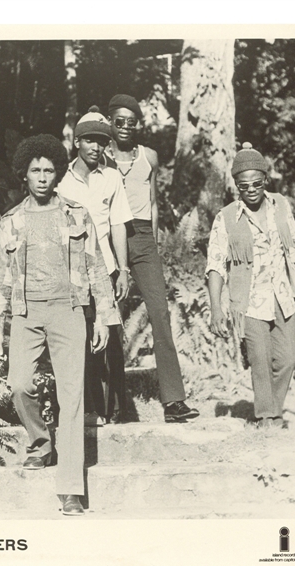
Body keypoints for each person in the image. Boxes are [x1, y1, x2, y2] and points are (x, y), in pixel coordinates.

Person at [0, 134, 118, 516]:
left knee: (72, 397)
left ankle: (71, 488)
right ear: (23, 175)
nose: (42, 177)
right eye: (35, 171)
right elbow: (1, 276)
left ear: (57, 173)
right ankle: (41, 443)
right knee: (19, 383)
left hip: (69, 311)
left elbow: (96, 266)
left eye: (48, 170)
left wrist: (104, 319)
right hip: (27, 314)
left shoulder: (77, 214)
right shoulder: (11, 221)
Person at [105, 94, 199, 423]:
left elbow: (154, 202)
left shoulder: (150, 157)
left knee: (160, 314)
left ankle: (173, 401)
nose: (126, 127)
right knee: (109, 318)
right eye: (119, 121)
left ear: (138, 125)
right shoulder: (100, 158)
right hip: (108, 238)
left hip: (143, 237)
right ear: (110, 123)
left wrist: (153, 242)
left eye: (132, 122)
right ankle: (114, 404)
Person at [206, 143, 295, 427]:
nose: (251, 190)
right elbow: (215, 265)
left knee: (287, 359)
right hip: (249, 301)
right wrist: (216, 308)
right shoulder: (226, 218)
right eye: (243, 186)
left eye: (256, 183)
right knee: (261, 361)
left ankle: (274, 409)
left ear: (265, 180)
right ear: (236, 187)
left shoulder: (281, 206)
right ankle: (267, 417)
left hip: (282, 297)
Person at [58, 106, 132, 426]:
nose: (95, 147)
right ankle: (90, 409)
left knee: (112, 339)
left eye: (101, 141)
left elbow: (118, 225)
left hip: (108, 267)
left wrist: (124, 271)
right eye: (89, 140)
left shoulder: (112, 177)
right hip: (75, 271)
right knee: (83, 336)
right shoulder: (61, 180)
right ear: (77, 142)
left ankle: (116, 410)